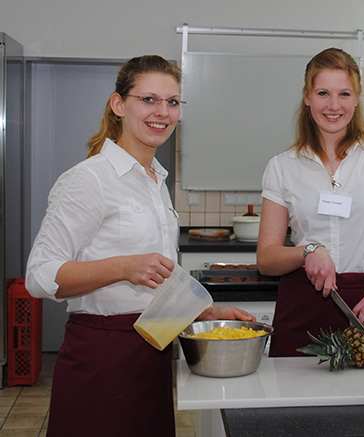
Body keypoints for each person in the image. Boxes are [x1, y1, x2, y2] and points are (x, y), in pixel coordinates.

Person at [25, 55, 254, 437]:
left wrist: (205, 311)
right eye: (148, 99)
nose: (162, 112)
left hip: (151, 352)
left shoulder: (155, 180)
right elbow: (39, 276)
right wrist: (123, 267)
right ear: (119, 105)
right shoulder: (89, 180)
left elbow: (155, 279)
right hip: (101, 357)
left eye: (173, 102)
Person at [256, 47, 364, 357]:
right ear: (306, 96)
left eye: (344, 93)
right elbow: (266, 258)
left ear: (356, 98)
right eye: (323, 93)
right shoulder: (282, 166)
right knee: (293, 402)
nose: (333, 105)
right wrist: (307, 251)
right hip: (302, 304)